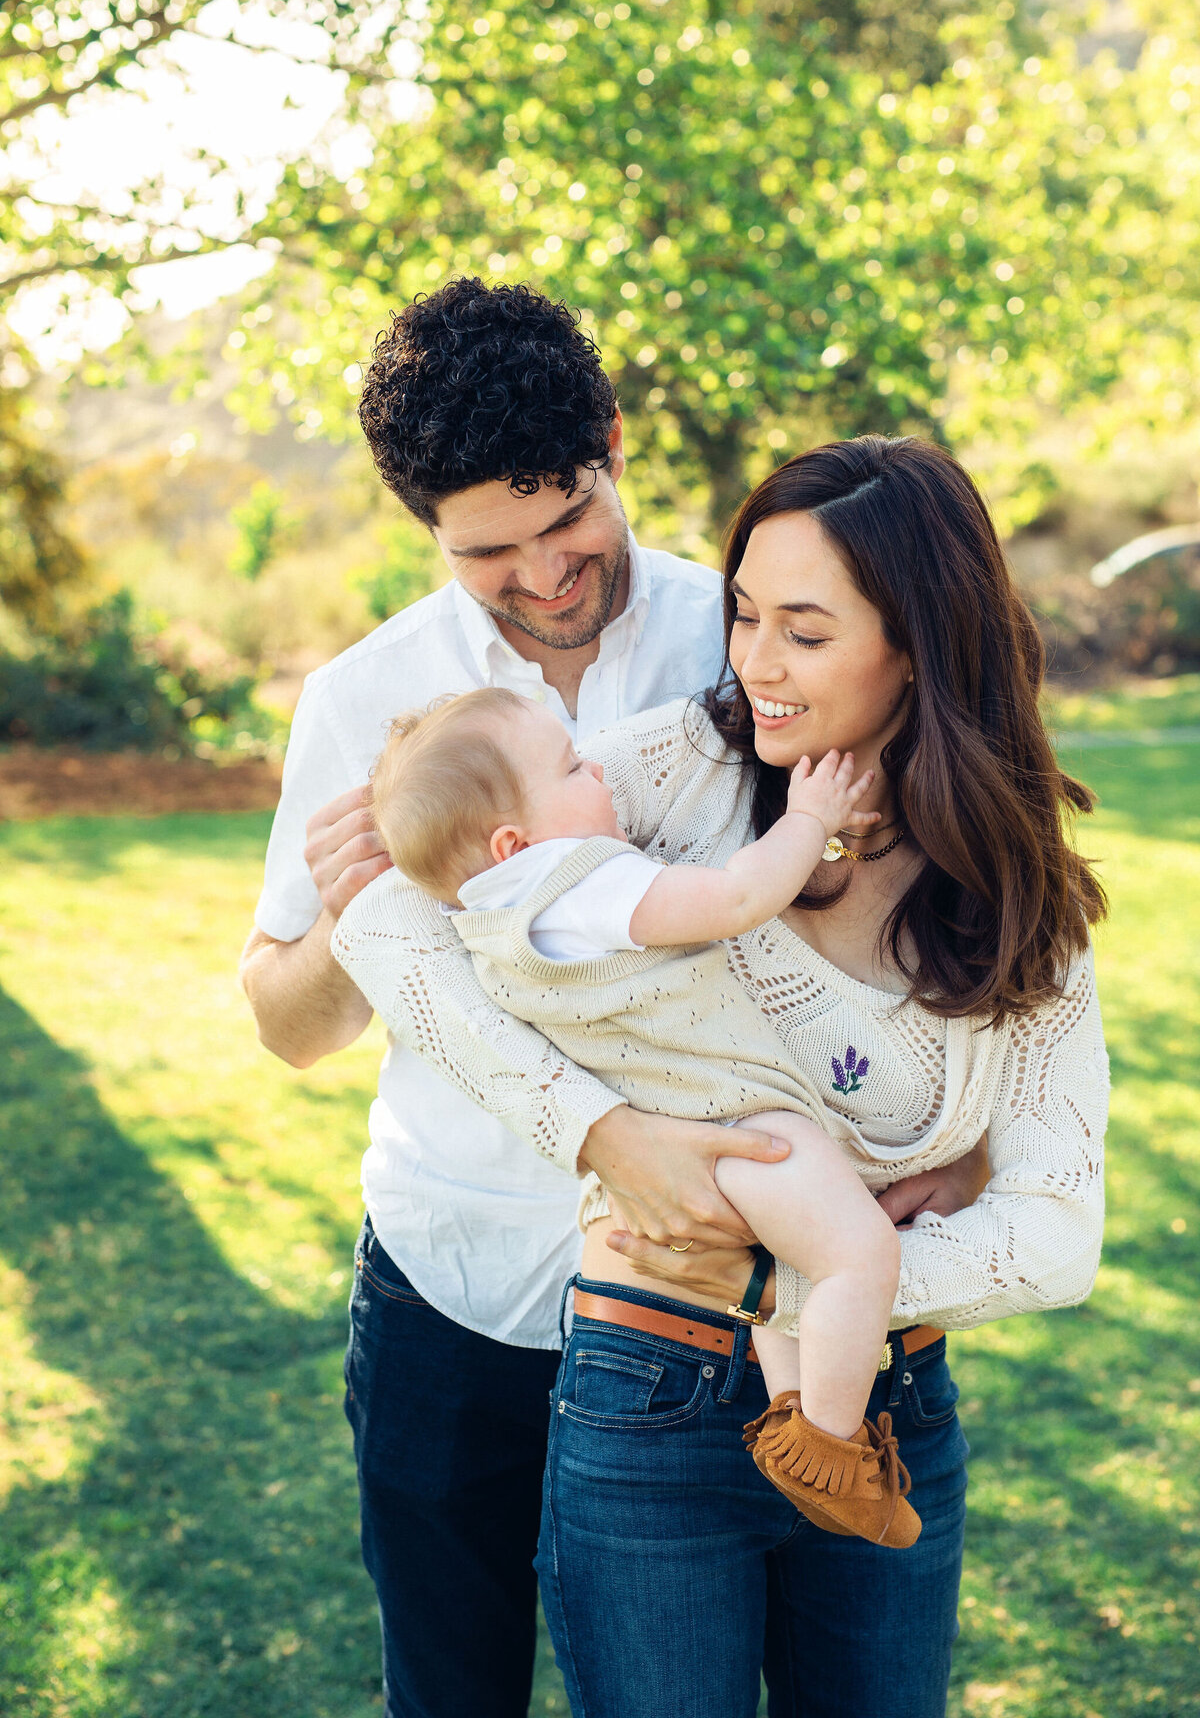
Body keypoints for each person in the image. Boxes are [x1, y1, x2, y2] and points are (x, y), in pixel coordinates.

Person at [243, 280, 979, 1718]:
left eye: (564, 518)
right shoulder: (360, 700)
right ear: (426, 532)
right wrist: (356, 918)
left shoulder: (753, 632)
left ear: (615, 444)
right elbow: (285, 1026)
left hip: (705, 1308)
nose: (543, 574)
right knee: (450, 1692)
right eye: (486, 551)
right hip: (458, 1290)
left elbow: (920, 897)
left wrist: (951, 1133)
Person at [335, 435, 1109, 1718]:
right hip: (648, 1398)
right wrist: (601, 1132)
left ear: (917, 642)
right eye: (745, 614)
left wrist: (785, 1270)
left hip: (884, 1415)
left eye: (804, 631)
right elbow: (390, 929)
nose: (752, 662)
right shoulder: (683, 768)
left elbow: (1056, 1238)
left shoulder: (1016, 900)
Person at [367, 687, 923, 1546]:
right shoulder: (578, 886)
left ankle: (786, 1413)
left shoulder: (488, 921)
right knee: (859, 1254)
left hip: (684, 1143)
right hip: (738, 1124)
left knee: (786, 1270)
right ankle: (834, 1446)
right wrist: (812, 817)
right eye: (572, 768)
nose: (599, 770)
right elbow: (737, 897)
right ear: (514, 845)